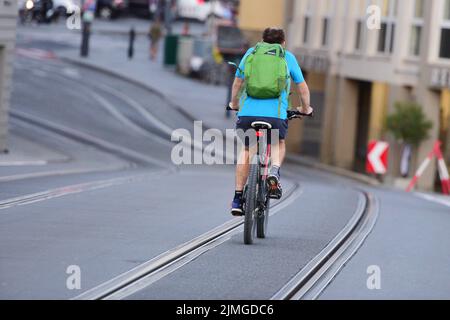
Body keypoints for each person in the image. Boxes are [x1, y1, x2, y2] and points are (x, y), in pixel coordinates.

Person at [229, 28, 313, 216]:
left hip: (248, 114)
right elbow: (303, 88)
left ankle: (237, 197)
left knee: (247, 149)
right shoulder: (287, 57)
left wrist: (234, 104)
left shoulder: (251, 53)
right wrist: (305, 109)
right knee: (278, 142)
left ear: (262, 40)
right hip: (275, 116)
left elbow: (237, 83)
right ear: (283, 42)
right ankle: (274, 171)